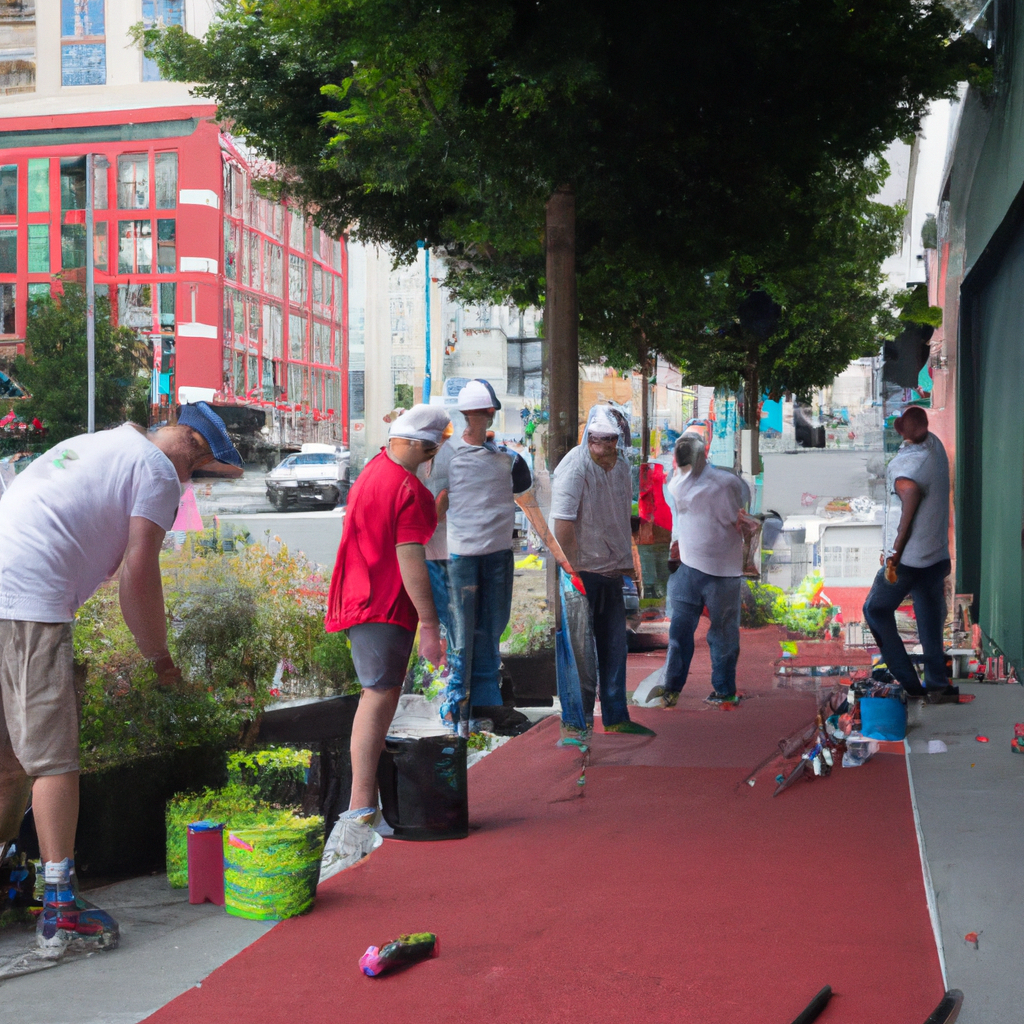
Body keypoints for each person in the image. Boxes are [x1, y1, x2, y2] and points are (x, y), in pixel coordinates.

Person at [0, 403, 244, 956]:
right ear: (193, 447)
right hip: (29, 600)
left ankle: (5, 878)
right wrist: (163, 664)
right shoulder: (157, 470)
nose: (190, 486)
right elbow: (138, 572)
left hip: (5, 583)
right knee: (53, 756)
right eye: (197, 474)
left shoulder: (105, 442)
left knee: (9, 760)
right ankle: (60, 907)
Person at [325, 405, 448, 826]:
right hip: (383, 603)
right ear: (414, 444)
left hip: (360, 595)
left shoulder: (374, 471)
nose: (431, 456)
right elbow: (410, 557)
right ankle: (361, 804)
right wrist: (429, 624)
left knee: (376, 694)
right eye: (430, 448)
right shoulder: (407, 488)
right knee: (378, 696)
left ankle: (365, 802)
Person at [434, 380, 533, 735]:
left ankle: (485, 702)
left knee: (490, 629)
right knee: (463, 634)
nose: (480, 419)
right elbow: (438, 504)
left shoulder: (506, 458)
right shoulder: (450, 456)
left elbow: (525, 489)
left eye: (483, 412)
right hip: (463, 558)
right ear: (467, 415)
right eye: (476, 413)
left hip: (496, 555)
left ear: (489, 413)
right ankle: (456, 707)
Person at [550, 405, 655, 736]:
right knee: (580, 655)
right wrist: (572, 568)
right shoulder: (575, 468)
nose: (604, 448)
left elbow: (621, 519)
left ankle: (614, 715)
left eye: (610, 442)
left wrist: (629, 566)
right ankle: (576, 721)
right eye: (598, 441)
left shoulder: (621, 466)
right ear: (589, 439)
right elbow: (563, 523)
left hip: (610, 570)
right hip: (581, 572)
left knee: (614, 646)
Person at [862, 406, 955, 701]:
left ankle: (909, 683)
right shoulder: (935, 445)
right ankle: (937, 684)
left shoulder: (911, 464)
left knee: (875, 609)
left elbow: (910, 494)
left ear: (902, 430)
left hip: (908, 559)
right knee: (929, 617)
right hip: (936, 555)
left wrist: (894, 553)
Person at [656, 433, 750, 707]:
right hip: (702, 567)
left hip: (716, 570)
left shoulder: (704, 484)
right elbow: (738, 513)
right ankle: (715, 689)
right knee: (714, 632)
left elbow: (736, 515)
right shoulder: (717, 483)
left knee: (692, 632)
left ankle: (681, 688)